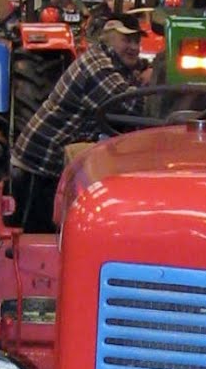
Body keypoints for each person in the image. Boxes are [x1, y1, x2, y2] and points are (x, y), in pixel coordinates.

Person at [10, 14, 151, 230]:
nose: (134, 47)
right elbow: (132, 107)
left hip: (61, 163)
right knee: (39, 235)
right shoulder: (96, 66)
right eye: (127, 40)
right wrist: (153, 82)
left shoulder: (116, 64)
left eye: (137, 41)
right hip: (41, 166)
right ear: (108, 39)